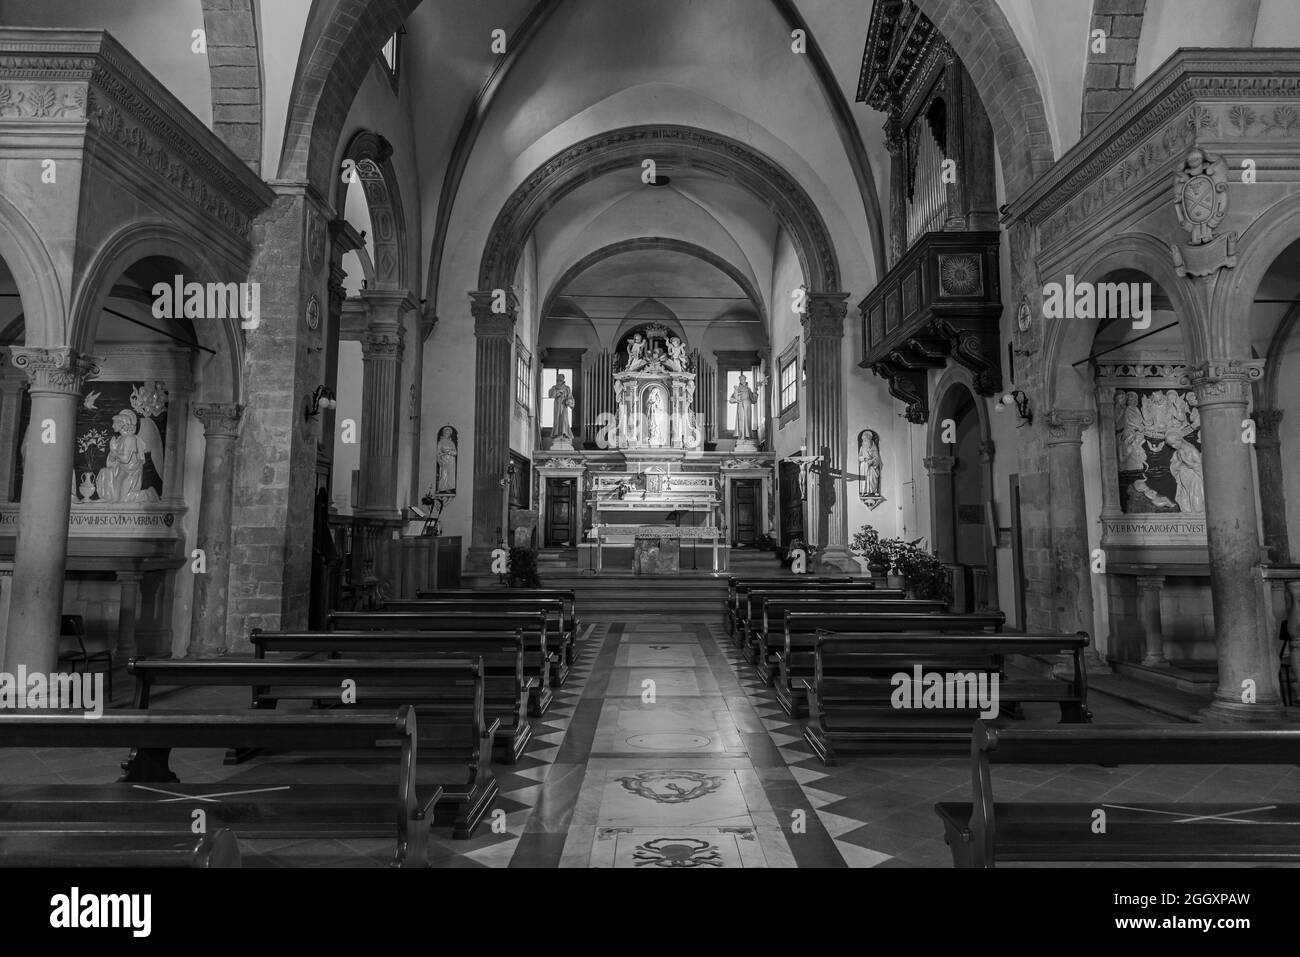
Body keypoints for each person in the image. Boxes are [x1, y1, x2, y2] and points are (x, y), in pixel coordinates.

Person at [96, 409, 160, 504]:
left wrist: (114, 451)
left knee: (124, 499)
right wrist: (112, 453)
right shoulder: (119, 439)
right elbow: (111, 462)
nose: (113, 426)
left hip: (131, 472)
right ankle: (107, 497)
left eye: (115, 423)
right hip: (119, 471)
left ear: (121, 424)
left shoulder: (130, 439)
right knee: (104, 472)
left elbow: (125, 459)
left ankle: (149, 494)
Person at [1166, 428, 1204, 513]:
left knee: (1197, 507)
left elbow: (1199, 467)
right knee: (1186, 506)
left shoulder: (1192, 450)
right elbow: (1173, 466)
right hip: (1184, 483)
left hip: (1195, 481)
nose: (1173, 446)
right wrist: (1178, 463)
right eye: (1171, 445)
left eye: (1174, 444)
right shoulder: (1176, 453)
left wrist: (1185, 460)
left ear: (1179, 439)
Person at [729, 374, 756, 439]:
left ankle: (748, 435)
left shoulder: (748, 389)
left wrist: (755, 393)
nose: (742, 380)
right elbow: (731, 400)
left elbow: (753, 400)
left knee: (747, 420)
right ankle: (741, 436)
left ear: (745, 380)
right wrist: (736, 400)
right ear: (739, 380)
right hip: (741, 405)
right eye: (741, 379)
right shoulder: (737, 389)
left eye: (743, 379)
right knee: (741, 420)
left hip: (748, 405)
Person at [548, 374, 575, 440]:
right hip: (557, 406)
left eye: (561, 379)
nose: (559, 380)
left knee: (564, 419)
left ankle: (565, 433)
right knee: (557, 419)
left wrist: (568, 401)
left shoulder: (567, 388)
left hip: (564, 406)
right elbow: (551, 394)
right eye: (558, 378)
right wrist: (558, 392)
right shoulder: (554, 387)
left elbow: (571, 398)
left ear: (563, 379)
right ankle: (556, 434)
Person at [859, 429, 882, 497]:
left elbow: (877, 457)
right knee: (864, 479)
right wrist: (864, 458)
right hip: (864, 465)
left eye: (867, 439)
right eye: (864, 440)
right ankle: (864, 491)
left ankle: (872, 491)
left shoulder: (874, 447)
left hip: (872, 465)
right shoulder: (861, 448)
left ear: (870, 439)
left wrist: (871, 461)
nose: (865, 441)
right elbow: (859, 457)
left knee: (872, 479)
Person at [435, 425, 458, 493]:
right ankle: (442, 488)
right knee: (444, 474)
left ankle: (449, 487)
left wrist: (449, 452)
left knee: (450, 474)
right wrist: (440, 458)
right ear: (443, 433)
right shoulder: (441, 442)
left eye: (448, 433)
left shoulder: (451, 443)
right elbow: (438, 452)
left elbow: (455, 452)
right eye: (446, 433)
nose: (447, 435)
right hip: (444, 460)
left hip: (451, 460)